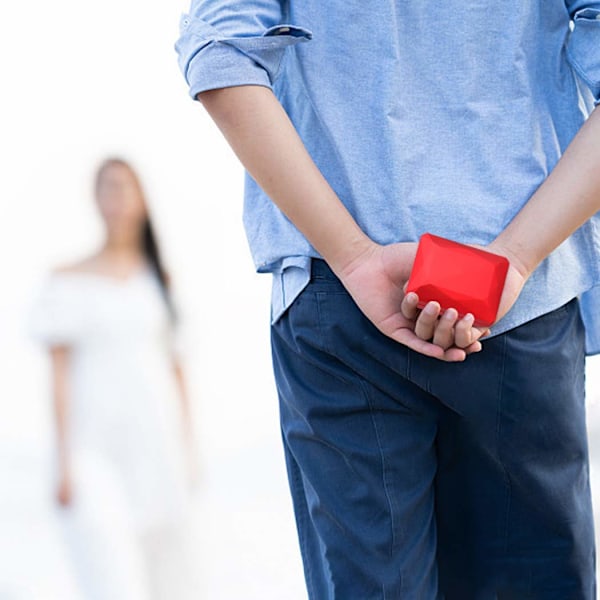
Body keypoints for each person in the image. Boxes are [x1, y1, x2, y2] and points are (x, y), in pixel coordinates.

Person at [175, 3, 600, 598]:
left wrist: (351, 254)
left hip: (341, 295)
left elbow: (220, 55)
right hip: (525, 296)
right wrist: (516, 257)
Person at [28, 158, 199, 600]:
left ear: (141, 199)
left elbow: (177, 369)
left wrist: (188, 450)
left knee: (168, 579)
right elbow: (59, 375)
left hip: (157, 449)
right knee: (110, 576)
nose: (116, 198)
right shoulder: (66, 279)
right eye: (107, 187)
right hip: (93, 450)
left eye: (125, 187)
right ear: (95, 199)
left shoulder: (158, 280)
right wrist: (64, 460)